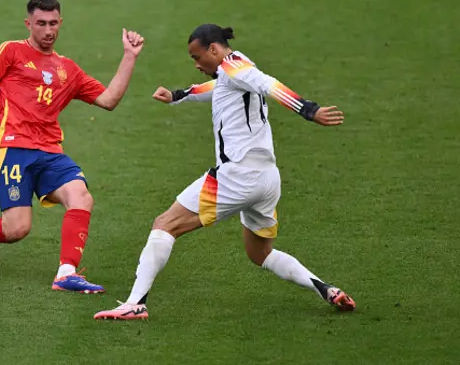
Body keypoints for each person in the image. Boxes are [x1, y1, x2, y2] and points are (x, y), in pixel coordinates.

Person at [94, 24, 354, 319]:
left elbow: (269, 84)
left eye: (197, 57)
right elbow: (217, 89)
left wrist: (309, 110)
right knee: (260, 253)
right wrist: (178, 95)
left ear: (214, 50)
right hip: (267, 179)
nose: (196, 64)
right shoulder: (231, 72)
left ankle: (135, 303)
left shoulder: (234, 65)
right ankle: (325, 289)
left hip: (237, 176)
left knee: (165, 224)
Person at [0, 0, 144, 293]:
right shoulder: (12, 51)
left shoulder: (67, 69)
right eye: (41, 23)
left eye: (53, 23)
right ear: (28, 23)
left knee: (81, 197)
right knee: (17, 229)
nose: (48, 30)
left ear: (60, 23)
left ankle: (66, 273)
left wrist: (129, 57)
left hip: (50, 152)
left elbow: (108, 100)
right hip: (13, 149)